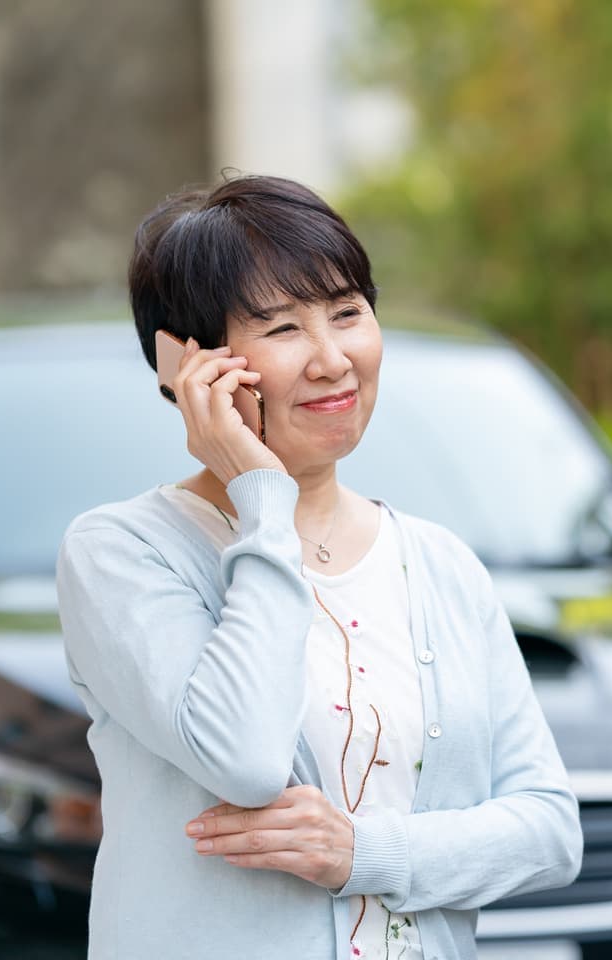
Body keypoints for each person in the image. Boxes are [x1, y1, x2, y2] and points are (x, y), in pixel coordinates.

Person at [56, 175, 582, 959]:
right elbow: (244, 757)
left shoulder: (439, 564)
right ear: (191, 365)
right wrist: (261, 495)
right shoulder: (120, 553)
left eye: (347, 313)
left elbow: (548, 831)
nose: (334, 359)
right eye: (282, 328)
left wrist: (362, 853)